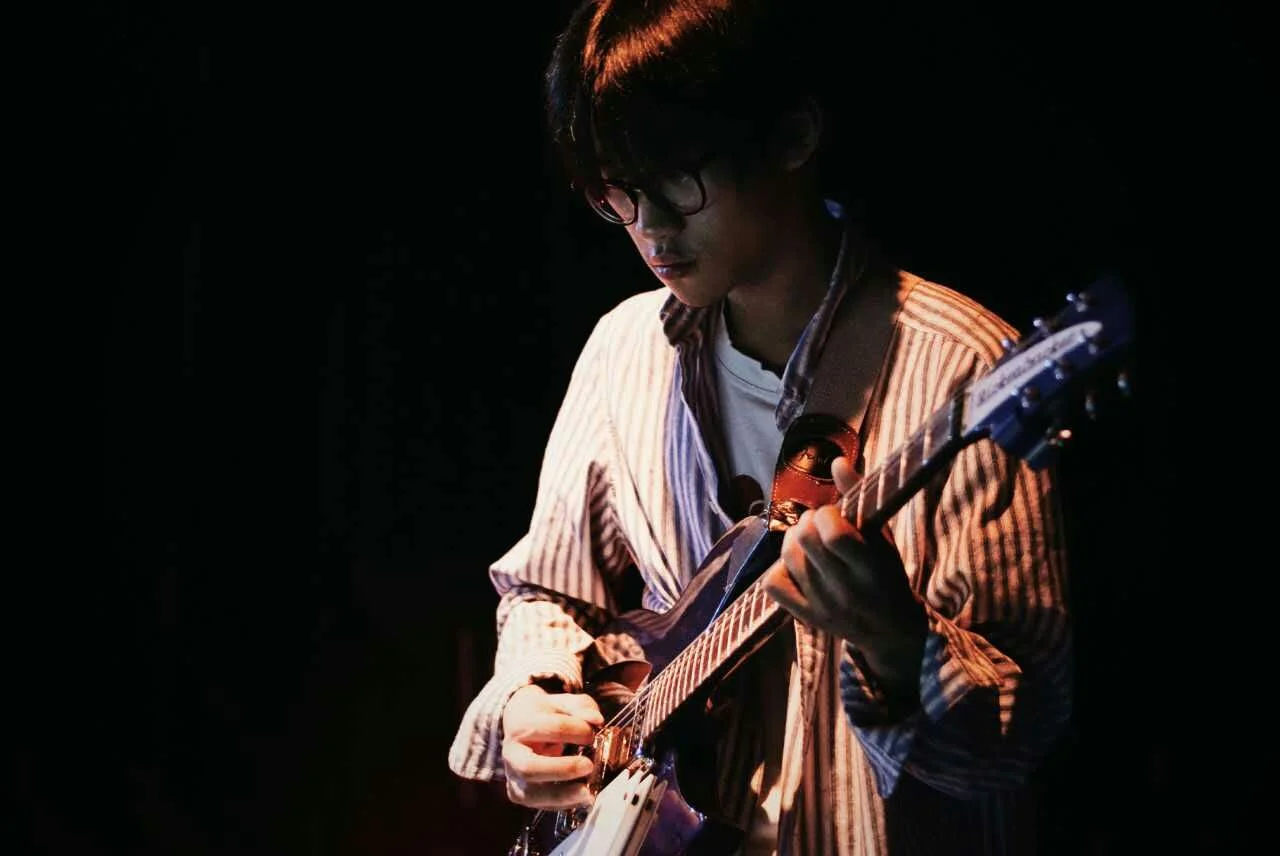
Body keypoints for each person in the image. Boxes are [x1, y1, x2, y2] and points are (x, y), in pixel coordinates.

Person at [447, 0, 1073, 853]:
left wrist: (900, 645)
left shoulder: (964, 368)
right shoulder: (623, 351)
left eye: (680, 178)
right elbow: (546, 591)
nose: (649, 226)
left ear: (792, 135)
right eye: (617, 192)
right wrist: (531, 696)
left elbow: (1025, 736)